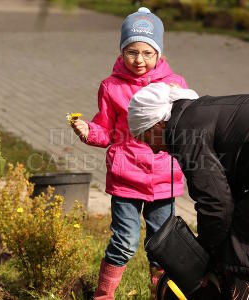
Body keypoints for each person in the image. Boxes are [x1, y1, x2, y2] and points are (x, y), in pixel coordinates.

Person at [71, 8, 188, 299]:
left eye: (148, 53)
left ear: (159, 54)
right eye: (132, 52)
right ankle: (103, 294)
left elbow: (187, 124)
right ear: (122, 51)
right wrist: (89, 131)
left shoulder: (174, 85)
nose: (139, 60)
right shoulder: (111, 86)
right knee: (124, 241)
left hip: (164, 177)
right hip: (126, 178)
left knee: (162, 245)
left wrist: (180, 99)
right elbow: (105, 129)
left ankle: (161, 294)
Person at [128, 82, 249, 299]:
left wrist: (204, 257)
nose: (151, 148)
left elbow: (216, 204)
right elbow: (226, 191)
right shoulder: (195, 113)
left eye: (145, 138)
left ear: (157, 124)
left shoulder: (185, 133)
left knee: (243, 249)